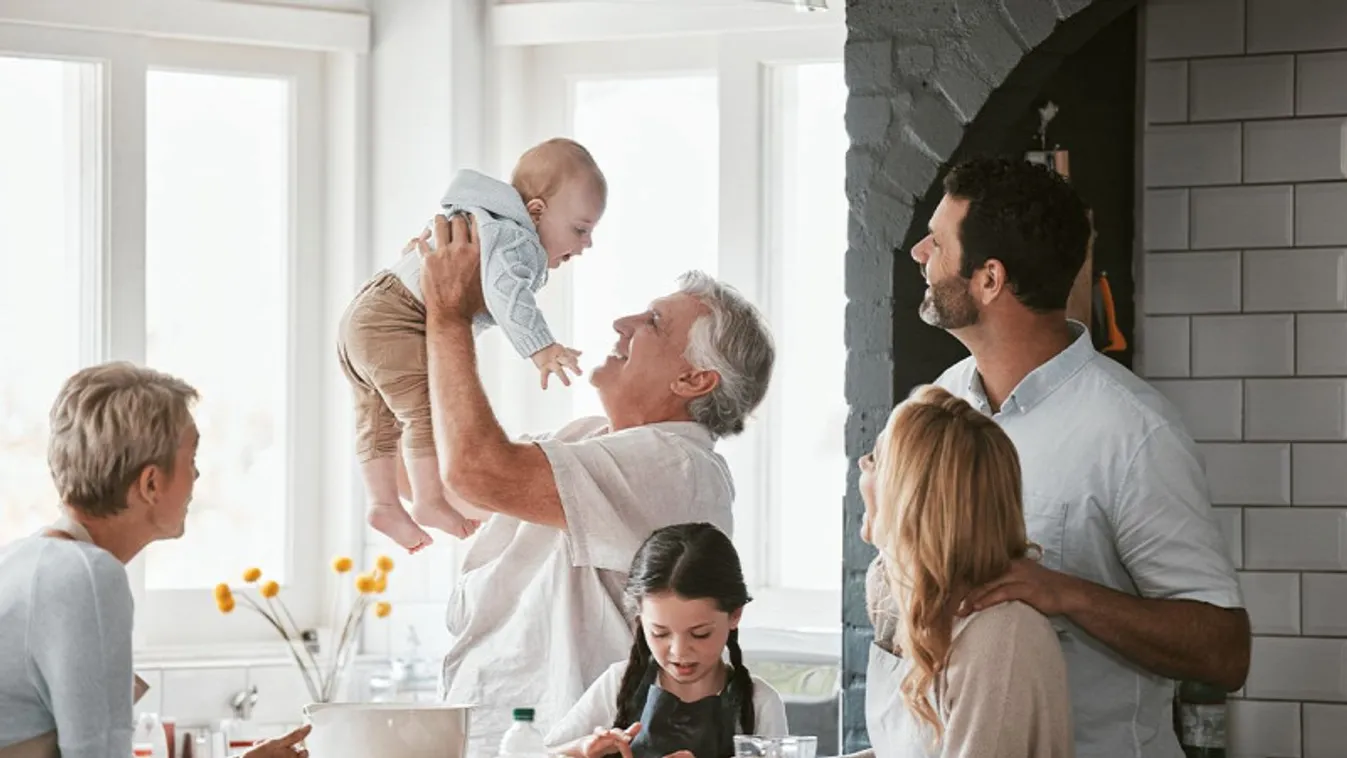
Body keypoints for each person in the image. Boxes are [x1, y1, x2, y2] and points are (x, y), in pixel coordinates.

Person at [908, 156, 1248, 757]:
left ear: (989, 279)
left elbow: (1224, 651)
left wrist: (1064, 592)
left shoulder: (1133, 432)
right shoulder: (938, 403)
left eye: (937, 241)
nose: (919, 253)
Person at [410, 213, 776, 757]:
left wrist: (449, 316)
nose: (622, 324)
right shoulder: (589, 438)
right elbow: (451, 483)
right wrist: (429, 310)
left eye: (652, 322)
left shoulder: (675, 466)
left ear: (694, 380)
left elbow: (474, 469)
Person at [0, 362, 311, 758]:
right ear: (150, 483)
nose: (196, 476)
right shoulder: (87, 578)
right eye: (191, 457)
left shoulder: (25, 563)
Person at [337, 137, 607, 553]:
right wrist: (541, 347)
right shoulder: (516, 239)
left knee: (376, 417)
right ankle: (428, 501)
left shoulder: (478, 218)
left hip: (365, 314)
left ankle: (382, 503)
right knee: (424, 411)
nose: (586, 245)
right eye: (580, 229)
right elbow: (507, 294)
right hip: (400, 319)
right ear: (536, 212)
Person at [858, 385, 1072, 757]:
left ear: (911, 499)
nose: (863, 465)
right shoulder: (903, 596)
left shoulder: (1001, 637)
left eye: (876, 459)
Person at [546, 523, 788, 758]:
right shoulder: (616, 684)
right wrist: (579, 751)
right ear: (640, 619)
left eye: (700, 633)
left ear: (735, 614)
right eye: (660, 633)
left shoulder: (760, 702)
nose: (679, 651)